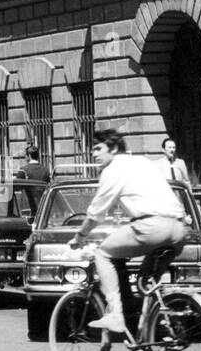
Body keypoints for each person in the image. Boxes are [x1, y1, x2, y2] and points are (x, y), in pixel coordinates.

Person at [69, 131, 188, 334]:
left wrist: (80, 236)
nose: (94, 155)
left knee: (103, 254)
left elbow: (96, 213)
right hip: (179, 228)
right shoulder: (142, 162)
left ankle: (115, 315)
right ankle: (159, 334)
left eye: (98, 149)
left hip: (152, 227)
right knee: (146, 283)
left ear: (114, 148)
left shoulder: (113, 169)